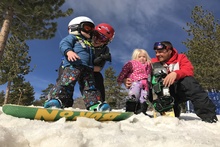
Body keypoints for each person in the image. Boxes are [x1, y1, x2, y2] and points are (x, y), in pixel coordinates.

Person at [124, 41, 218, 123]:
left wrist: (175, 74)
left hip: (177, 90)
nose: (157, 54)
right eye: (156, 52)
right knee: (145, 84)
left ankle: (208, 117)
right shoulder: (152, 62)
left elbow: (188, 70)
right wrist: (127, 79)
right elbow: (137, 69)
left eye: (161, 52)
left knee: (189, 81)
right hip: (159, 93)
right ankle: (137, 111)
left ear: (169, 51)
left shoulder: (181, 58)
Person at [44, 16, 111, 111]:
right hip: (73, 66)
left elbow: (92, 59)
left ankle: (94, 104)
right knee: (66, 83)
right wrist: (68, 51)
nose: (90, 32)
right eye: (87, 28)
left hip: (87, 69)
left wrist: (99, 59)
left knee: (89, 87)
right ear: (76, 27)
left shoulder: (90, 44)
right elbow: (64, 44)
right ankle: (56, 100)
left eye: (92, 30)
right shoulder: (74, 38)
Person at [79, 23, 115, 102]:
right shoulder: (84, 40)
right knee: (65, 70)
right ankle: (62, 99)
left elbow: (99, 68)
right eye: (96, 35)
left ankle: (100, 103)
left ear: (107, 42)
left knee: (98, 77)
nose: (97, 40)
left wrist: (87, 67)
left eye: (103, 38)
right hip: (75, 66)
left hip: (90, 70)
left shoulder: (105, 50)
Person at [117, 49, 152, 115]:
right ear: (135, 57)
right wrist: (120, 79)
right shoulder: (132, 63)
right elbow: (124, 71)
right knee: (134, 95)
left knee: (144, 97)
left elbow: (149, 73)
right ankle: (130, 110)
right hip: (136, 82)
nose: (142, 58)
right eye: (139, 57)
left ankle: (142, 111)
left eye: (144, 57)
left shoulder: (148, 64)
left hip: (145, 84)